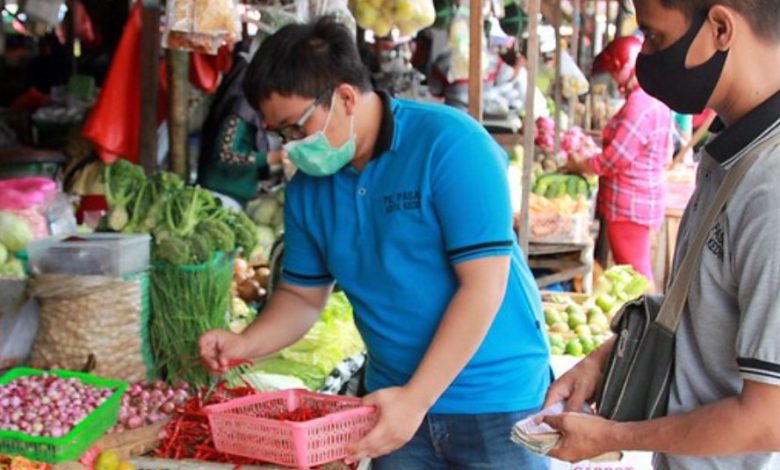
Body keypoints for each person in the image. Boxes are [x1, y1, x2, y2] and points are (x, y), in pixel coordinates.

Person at [199, 17, 551, 469]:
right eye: (279, 134)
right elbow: (302, 297)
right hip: (391, 402)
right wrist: (245, 343)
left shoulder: (450, 145)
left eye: (294, 129)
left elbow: (483, 284)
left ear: (345, 97)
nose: (289, 147)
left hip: (493, 399)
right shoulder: (310, 186)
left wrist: (417, 398)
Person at [542, 1, 780, 469]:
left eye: (655, 37)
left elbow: (767, 417)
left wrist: (611, 436)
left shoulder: (771, 188)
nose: (644, 55)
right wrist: (602, 361)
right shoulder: (734, 148)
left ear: (719, 27)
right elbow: (699, 311)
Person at [565, 36, 672, 288]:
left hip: (629, 204)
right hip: (637, 201)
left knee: (635, 275)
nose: (613, 79)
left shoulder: (641, 103)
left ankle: (647, 324)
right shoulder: (652, 98)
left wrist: (580, 165)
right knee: (631, 271)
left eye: (615, 71)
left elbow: (615, 159)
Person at [197, 37, 285, 206]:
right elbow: (225, 154)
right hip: (220, 196)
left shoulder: (256, 108)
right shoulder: (241, 107)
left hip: (236, 197)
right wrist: (271, 158)